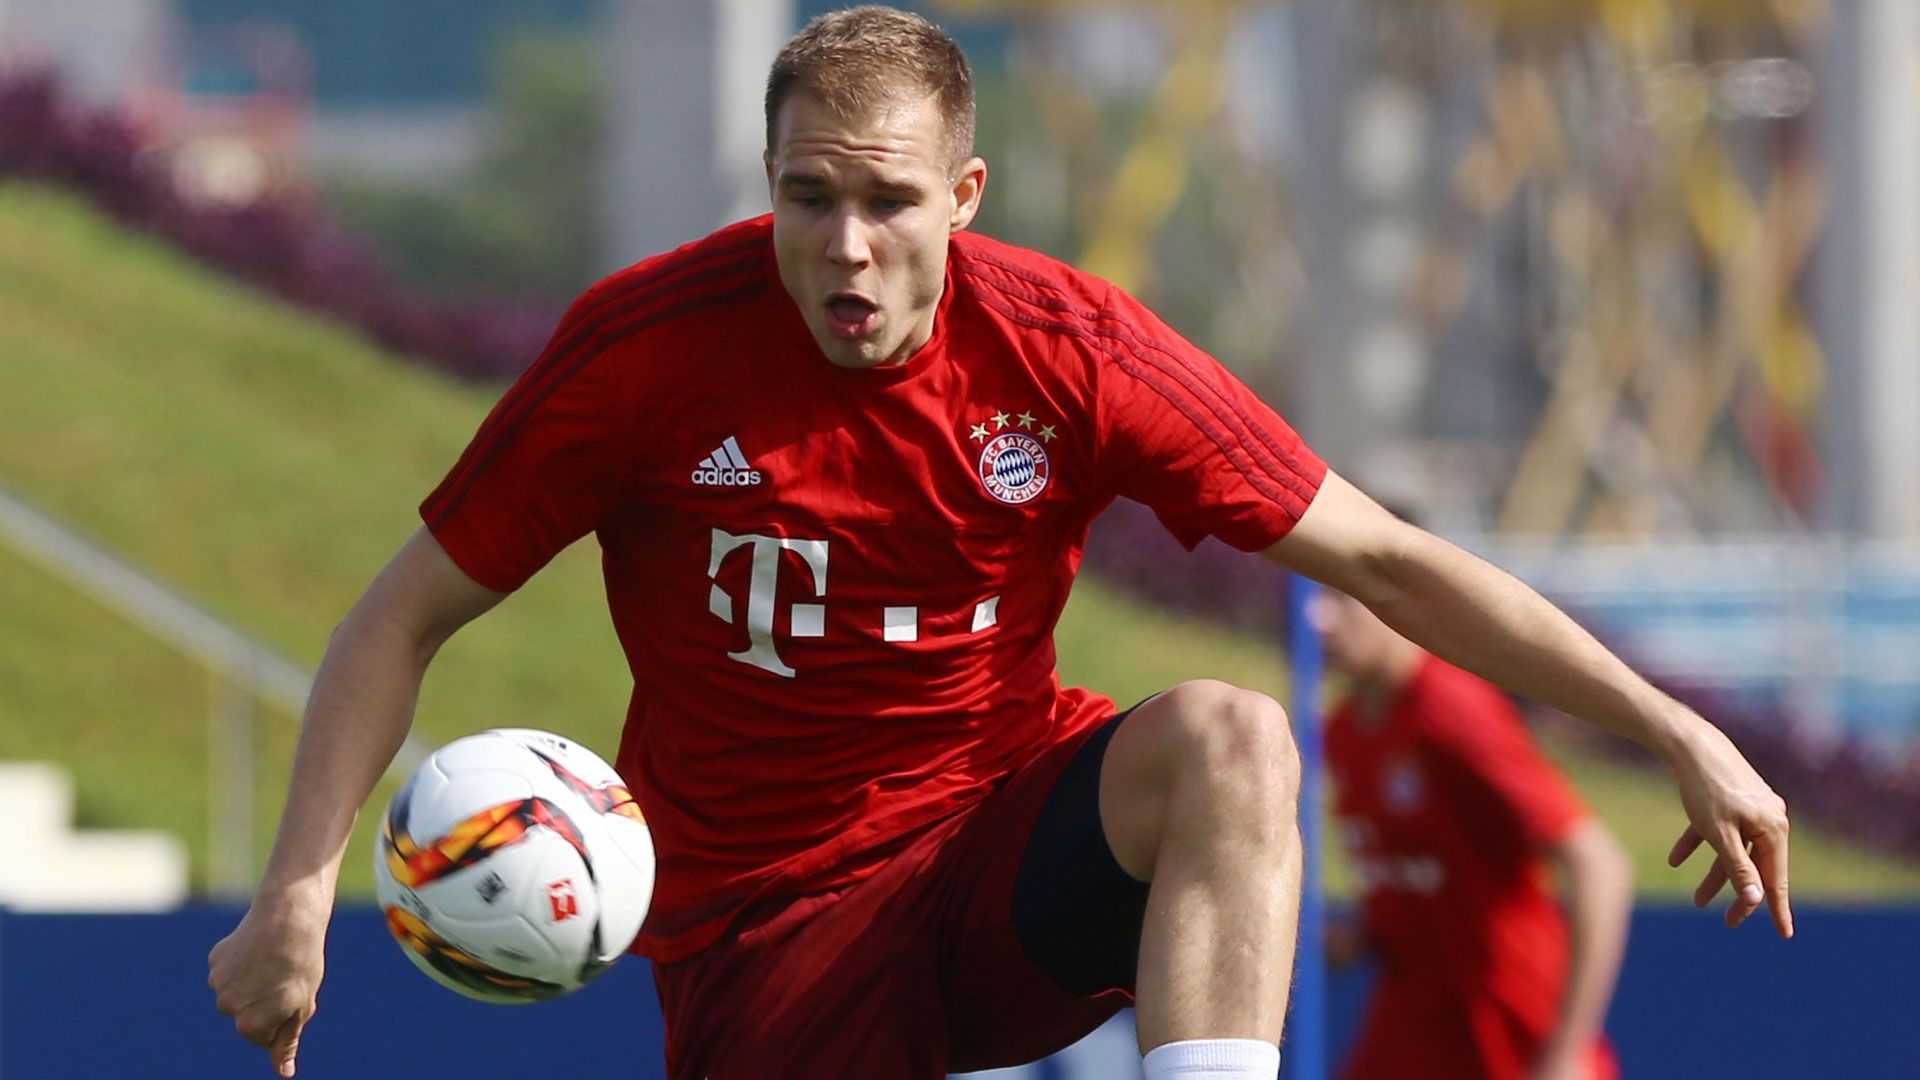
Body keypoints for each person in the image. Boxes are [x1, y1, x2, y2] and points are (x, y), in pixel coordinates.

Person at [208, 7, 1792, 1079]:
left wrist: (1675, 729)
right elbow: (401, 614)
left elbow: (1384, 560)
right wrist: (297, 887)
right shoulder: (641, 351)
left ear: (965, 194)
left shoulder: (1070, 348)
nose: (844, 243)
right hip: (760, 933)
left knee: (1231, 741)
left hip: (988, 861)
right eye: (805, 196)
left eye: (886, 200)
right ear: (763, 188)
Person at [1312, 559, 1634, 1080]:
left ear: (1394, 598)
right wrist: (1360, 937)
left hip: (1507, 1029)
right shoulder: (1343, 733)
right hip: (1413, 1028)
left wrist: (1566, 1055)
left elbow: (1600, 864)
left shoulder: (1452, 710)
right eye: (1314, 597)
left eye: (1340, 598)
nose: (1319, 618)